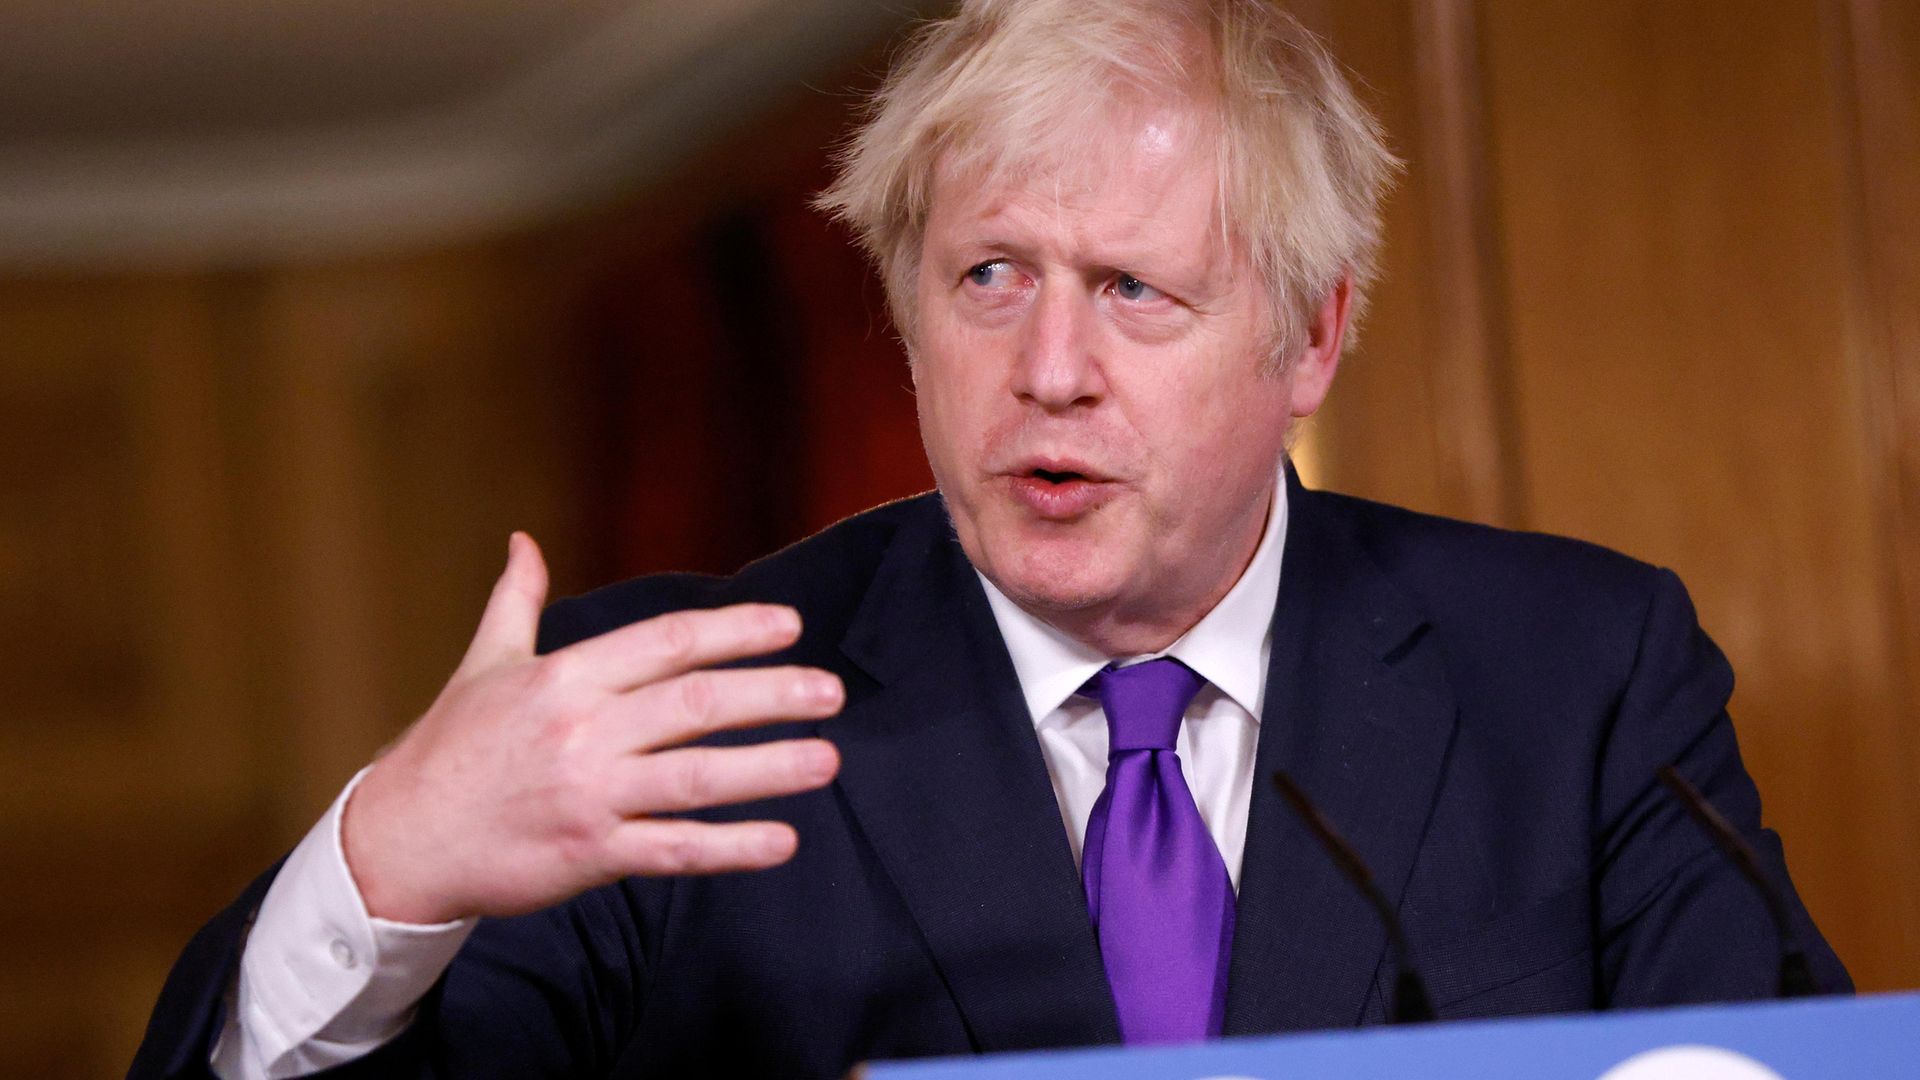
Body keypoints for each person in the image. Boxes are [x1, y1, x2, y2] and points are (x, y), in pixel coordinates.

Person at [131, 1, 1848, 1077]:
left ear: (1311, 338)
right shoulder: (671, 718)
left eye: (1132, 290)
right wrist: (386, 871)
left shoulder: (1577, 673)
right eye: (989, 277)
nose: (1048, 372)